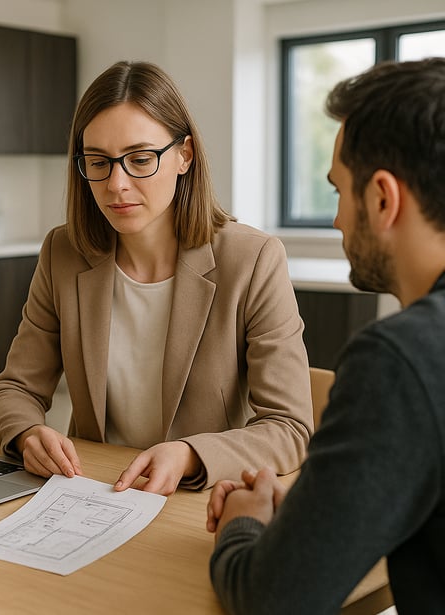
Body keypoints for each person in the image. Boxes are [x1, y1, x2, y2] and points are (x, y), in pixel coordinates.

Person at [0, 60, 312, 496]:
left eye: (140, 159)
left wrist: (190, 454)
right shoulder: (63, 253)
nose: (116, 184)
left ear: (184, 155)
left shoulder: (253, 259)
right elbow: (15, 388)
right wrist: (27, 432)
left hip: (197, 498)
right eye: (98, 162)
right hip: (92, 489)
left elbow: (289, 427)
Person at [207, 57, 445, 614]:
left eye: (338, 191)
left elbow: (273, 600)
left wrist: (243, 519)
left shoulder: (402, 359)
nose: (337, 219)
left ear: (382, 198)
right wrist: (320, 508)